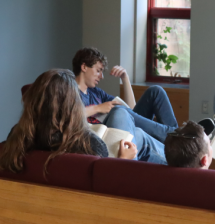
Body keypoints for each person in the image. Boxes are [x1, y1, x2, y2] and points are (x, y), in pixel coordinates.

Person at [0, 69, 137, 173]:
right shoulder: (90, 145)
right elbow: (106, 183)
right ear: (74, 106)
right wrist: (123, 161)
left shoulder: (17, 137)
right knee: (139, 138)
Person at [73, 47, 174, 164]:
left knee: (155, 91)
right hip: (107, 138)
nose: (101, 76)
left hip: (124, 126)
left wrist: (125, 78)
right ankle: (172, 135)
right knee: (119, 111)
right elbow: (68, 114)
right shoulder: (70, 91)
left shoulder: (96, 93)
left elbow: (130, 110)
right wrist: (98, 108)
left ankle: (171, 135)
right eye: (98, 70)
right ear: (84, 67)